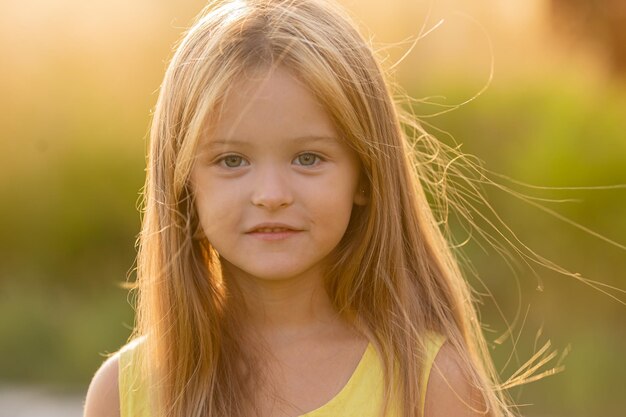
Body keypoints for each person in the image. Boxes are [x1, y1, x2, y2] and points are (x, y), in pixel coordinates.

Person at [83, 0, 524, 416]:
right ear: (183, 187)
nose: (272, 194)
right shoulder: (124, 394)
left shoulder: (434, 386)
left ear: (365, 176)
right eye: (231, 161)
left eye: (308, 158)